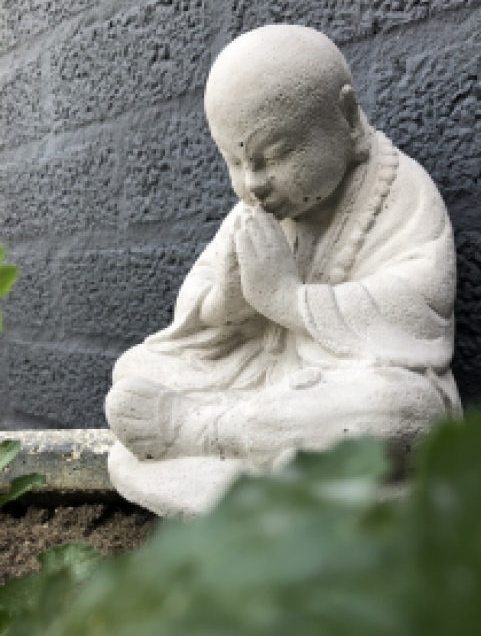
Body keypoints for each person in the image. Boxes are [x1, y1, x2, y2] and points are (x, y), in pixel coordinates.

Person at [105, 25, 461, 515]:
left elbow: (418, 310)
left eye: (275, 156)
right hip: (260, 375)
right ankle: (266, 440)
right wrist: (225, 302)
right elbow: (198, 307)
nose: (254, 184)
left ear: (348, 119)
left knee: (405, 412)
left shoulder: (401, 191)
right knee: (133, 371)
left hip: (341, 387)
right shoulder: (254, 211)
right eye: (234, 160)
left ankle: (203, 430)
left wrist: (287, 300)